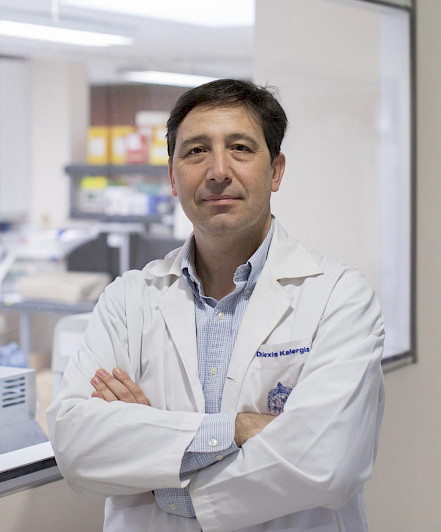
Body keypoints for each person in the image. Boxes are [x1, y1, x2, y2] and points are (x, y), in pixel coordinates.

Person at [47, 79, 385, 532]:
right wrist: (239, 429)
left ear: (276, 170)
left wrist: (162, 472)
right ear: (172, 175)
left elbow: (326, 463)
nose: (218, 170)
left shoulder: (339, 298)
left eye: (241, 148)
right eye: (196, 151)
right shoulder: (128, 299)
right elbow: (77, 446)